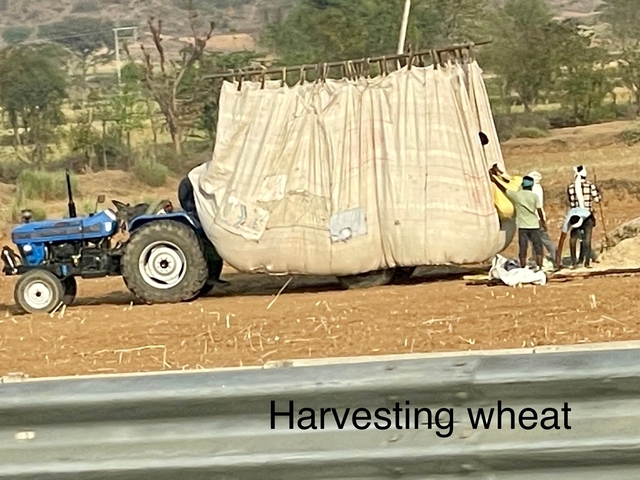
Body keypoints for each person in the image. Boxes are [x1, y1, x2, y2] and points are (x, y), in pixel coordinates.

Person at [490, 166, 547, 270]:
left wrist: (495, 180)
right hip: (534, 225)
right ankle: (539, 268)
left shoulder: (517, 196)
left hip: (523, 227)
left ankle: (523, 267)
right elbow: (539, 210)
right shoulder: (534, 197)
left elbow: (504, 189)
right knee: (538, 247)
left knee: (523, 248)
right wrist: (543, 223)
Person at [566, 165, 601, 267]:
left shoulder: (571, 187)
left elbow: (571, 201)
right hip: (588, 215)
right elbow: (597, 200)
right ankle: (586, 262)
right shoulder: (590, 186)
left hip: (576, 216)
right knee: (587, 239)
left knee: (573, 238)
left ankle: (574, 262)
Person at [528, 171, 557, 264]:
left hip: (535, 218)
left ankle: (540, 260)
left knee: (540, 240)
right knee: (542, 239)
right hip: (538, 217)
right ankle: (555, 258)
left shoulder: (533, 189)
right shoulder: (537, 188)